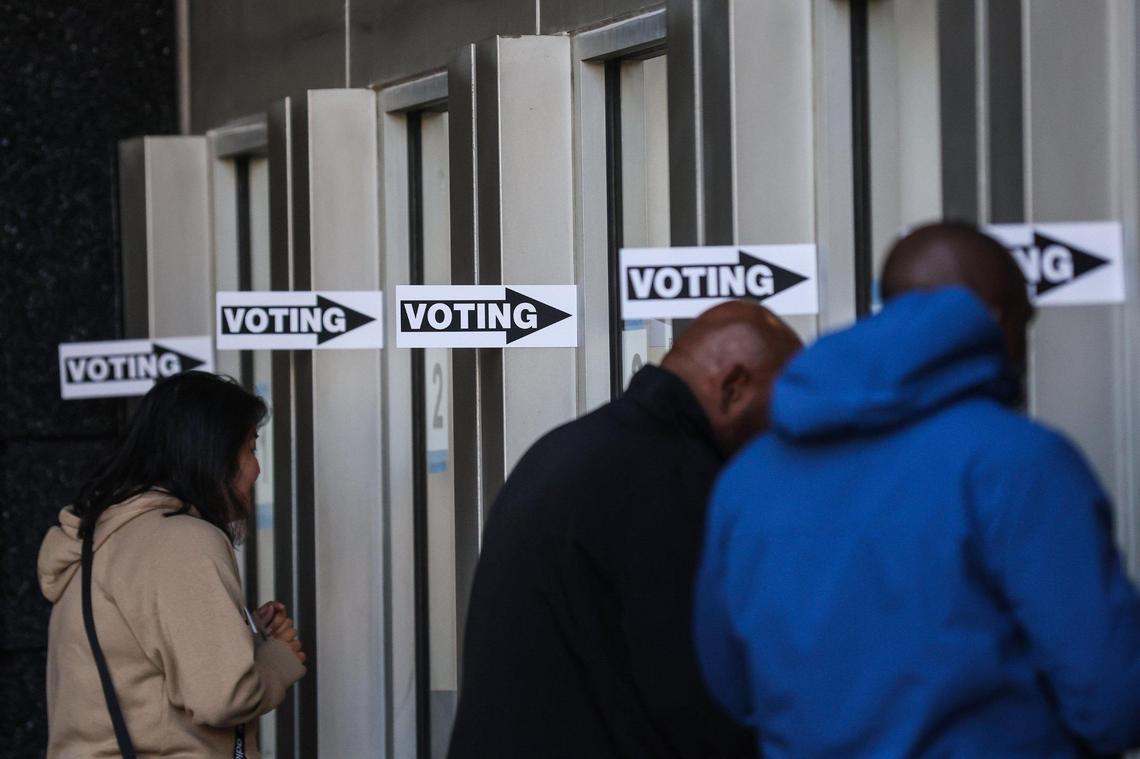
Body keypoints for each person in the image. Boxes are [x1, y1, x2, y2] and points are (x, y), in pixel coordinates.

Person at [694, 222, 1140, 758]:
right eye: (1025, 322)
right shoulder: (1017, 461)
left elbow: (731, 684)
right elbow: (1112, 700)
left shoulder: (747, 481)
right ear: (993, 319)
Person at [447, 301, 803, 759]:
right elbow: (691, 696)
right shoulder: (671, 483)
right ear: (733, 388)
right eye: (776, 413)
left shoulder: (567, 449)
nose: (777, 437)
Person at [38, 371, 306, 758]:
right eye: (250, 448)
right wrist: (279, 656)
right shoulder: (182, 541)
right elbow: (224, 695)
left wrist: (242, 641)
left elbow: (139, 670)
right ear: (211, 454)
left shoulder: (105, 538)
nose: (256, 469)